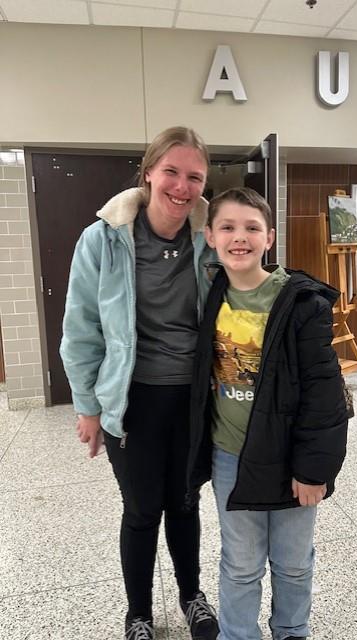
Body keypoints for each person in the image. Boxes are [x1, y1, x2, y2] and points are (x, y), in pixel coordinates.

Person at [60, 127, 219, 640]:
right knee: (143, 507)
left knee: (186, 502)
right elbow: (81, 328)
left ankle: (191, 594)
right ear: (148, 172)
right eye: (171, 171)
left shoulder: (210, 236)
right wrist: (88, 407)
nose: (182, 186)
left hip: (195, 399)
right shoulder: (103, 239)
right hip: (132, 399)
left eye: (194, 176)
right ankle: (139, 614)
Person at [187, 187, 349, 640]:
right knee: (240, 563)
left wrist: (314, 470)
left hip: (290, 459)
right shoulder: (206, 297)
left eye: (252, 228)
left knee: (294, 562)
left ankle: (292, 630)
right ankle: (238, 634)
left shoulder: (302, 304)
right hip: (230, 456)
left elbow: (324, 394)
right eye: (228, 227)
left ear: (270, 238)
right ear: (211, 237)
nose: (240, 237)